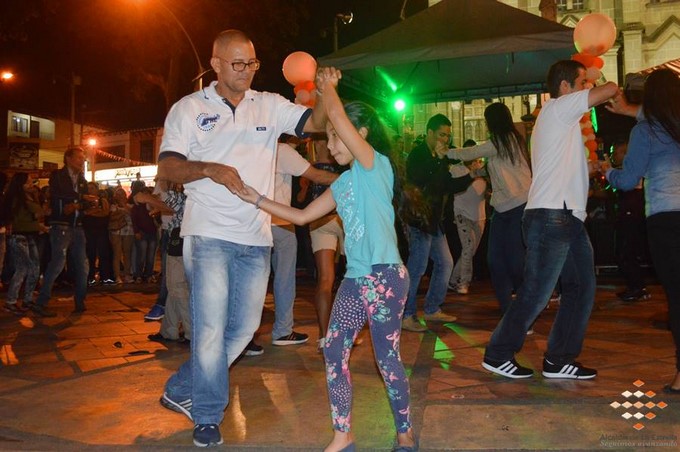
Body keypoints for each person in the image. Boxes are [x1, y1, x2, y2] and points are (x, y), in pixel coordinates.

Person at [156, 29, 327, 448]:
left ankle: (180, 387)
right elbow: (168, 167)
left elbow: (317, 123)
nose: (246, 71)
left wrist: (325, 90)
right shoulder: (189, 108)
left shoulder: (268, 103)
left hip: (256, 236)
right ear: (215, 64)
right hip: (208, 232)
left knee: (245, 327)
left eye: (252, 63)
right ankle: (207, 414)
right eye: (237, 64)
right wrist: (209, 168)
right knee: (211, 329)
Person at [237, 67, 417, 452]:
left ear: (359, 134)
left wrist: (328, 88)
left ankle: (405, 432)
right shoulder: (344, 183)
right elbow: (302, 216)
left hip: (386, 278)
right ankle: (342, 434)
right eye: (330, 136)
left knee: (387, 359)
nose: (330, 144)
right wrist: (256, 198)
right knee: (334, 350)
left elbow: (334, 113)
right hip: (354, 281)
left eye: (335, 136)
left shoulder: (375, 166)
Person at [482, 60, 618, 379]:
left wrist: (591, 168)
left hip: (566, 216)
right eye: (581, 83)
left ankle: (559, 359)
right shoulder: (558, 107)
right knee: (537, 291)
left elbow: (564, 166)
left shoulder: (561, 120)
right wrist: (596, 77)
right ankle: (498, 353)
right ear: (565, 86)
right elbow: (611, 89)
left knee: (581, 286)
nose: (587, 87)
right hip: (551, 216)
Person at [604, 68, 680, 393]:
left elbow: (628, 180)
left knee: (677, 297)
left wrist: (607, 171)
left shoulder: (645, 131)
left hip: (665, 220)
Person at [448, 103, 532, 311]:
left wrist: (446, 152)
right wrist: (475, 173)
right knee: (495, 260)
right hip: (502, 210)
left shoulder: (504, 141)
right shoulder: (505, 143)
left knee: (513, 259)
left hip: (518, 206)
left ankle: (524, 302)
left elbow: (472, 152)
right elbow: (493, 167)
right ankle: (508, 307)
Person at [401, 114, 472, 332]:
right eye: (442, 135)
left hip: (433, 221)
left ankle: (432, 309)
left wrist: (472, 176)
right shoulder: (418, 154)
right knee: (418, 267)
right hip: (419, 219)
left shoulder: (438, 158)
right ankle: (407, 314)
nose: (445, 140)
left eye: (448, 136)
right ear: (429, 133)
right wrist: (439, 161)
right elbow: (421, 179)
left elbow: (446, 185)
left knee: (445, 263)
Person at [267, 142, 338, 347]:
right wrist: (353, 179)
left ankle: (245, 337)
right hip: (281, 222)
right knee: (284, 278)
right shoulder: (282, 150)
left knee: (255, 279)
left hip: (256, 221)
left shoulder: (256, 146)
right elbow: (317, 176)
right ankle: (283, 330)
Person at [33, 147, 96, 317]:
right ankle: (41, 302)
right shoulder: (57, 176)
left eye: (83, 158)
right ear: (68, 158)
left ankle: (80, 301)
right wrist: (81, 199)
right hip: (61, 225)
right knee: (57, 264)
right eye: (79, 158)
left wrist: (77, 205)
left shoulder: (82, 179)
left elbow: (88, 202)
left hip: (78, 226)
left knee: (83, 265)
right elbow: (60, 193)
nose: (82, 161)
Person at [304, 137, 346, 349]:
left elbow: (303, 194)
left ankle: (324, 336)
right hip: (342, 215)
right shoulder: (340, 142)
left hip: (319, 216)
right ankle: (347, 331)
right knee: (354, 276)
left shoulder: (312, 147)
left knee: (325, 279)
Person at [607, 140, 650, 302]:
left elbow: (626, 185)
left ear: (625, 153)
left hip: (631, 214)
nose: (613, 156)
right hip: (628, 213)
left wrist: (608, 171)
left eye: (616, 152)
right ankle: (636, 286)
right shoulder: (627, 170)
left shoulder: (632, 170)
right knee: (626, 251)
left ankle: (637, 287)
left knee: (626, 251)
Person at [2, 173, 44, 315]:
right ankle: (11, 301)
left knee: (34, 267)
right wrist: (37, 218)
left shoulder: (29, 197)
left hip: (30, 235)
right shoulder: (16, 199)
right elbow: (26, 217)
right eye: (28, 182)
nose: (31, 185)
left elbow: (38, 213)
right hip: (19, 236)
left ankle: (27, 298)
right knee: (22, 268)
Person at [447, 154, 488, 295]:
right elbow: (453, 186)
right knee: (468, 248)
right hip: (462, 215)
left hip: (480, 217)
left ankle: (453, 280)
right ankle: (464, 282)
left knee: (470, 251)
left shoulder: (482, 170)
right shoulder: (456, 169)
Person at [83, 182, 114, 285]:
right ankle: (90, 277)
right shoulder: (84, 201)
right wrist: (96, 211)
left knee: (103, 253)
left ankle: (105, 276)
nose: (90, 190)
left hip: (101, 230)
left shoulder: (102, 200)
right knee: (90, 254)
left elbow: (105, 213)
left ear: (97, 189)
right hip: (89, 230)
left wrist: (92, 212)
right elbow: (84, 213)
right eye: (88, 188)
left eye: (92, 188)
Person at [108, 187, 135, 284]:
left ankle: (127, 274)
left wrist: (122, 208)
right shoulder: (112, 206)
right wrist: (121, 212)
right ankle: (117, 276)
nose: (120, 196)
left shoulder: (130, 205)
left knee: (127, 253)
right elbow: (111, 217)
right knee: (117, 254)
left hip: (128, 231)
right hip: (116, 231)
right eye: (118, 194)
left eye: (122, 194)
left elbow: (132, 214)